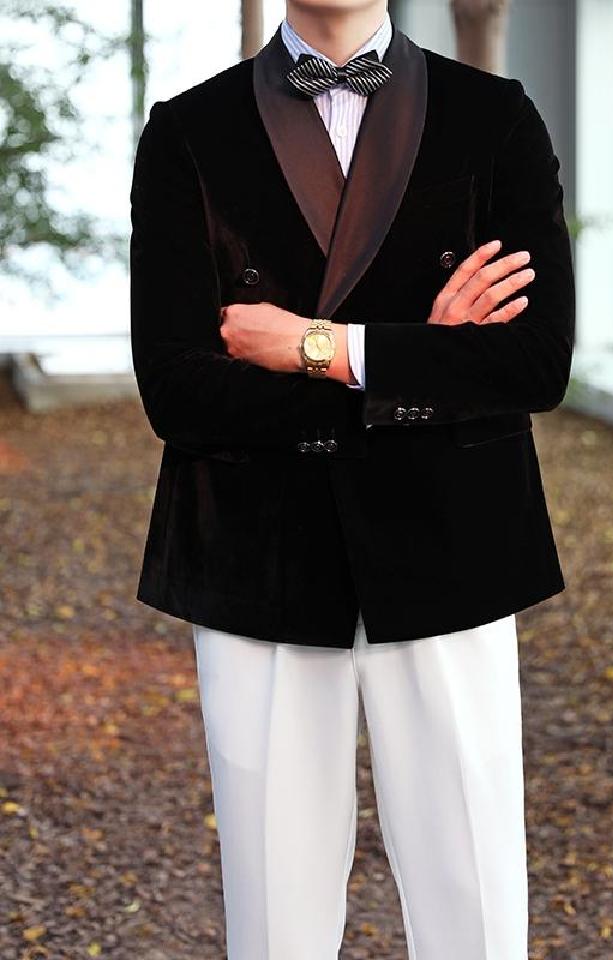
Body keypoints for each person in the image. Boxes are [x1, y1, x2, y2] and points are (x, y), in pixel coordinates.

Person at [129, 1, 575, 957]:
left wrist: (316, 346)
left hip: (452, 548)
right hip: (259, 557)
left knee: (476, 908)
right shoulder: (187, 130)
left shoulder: (495, 116)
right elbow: (175, 390)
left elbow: (535, 365)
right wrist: (424, 359)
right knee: (273, 917)